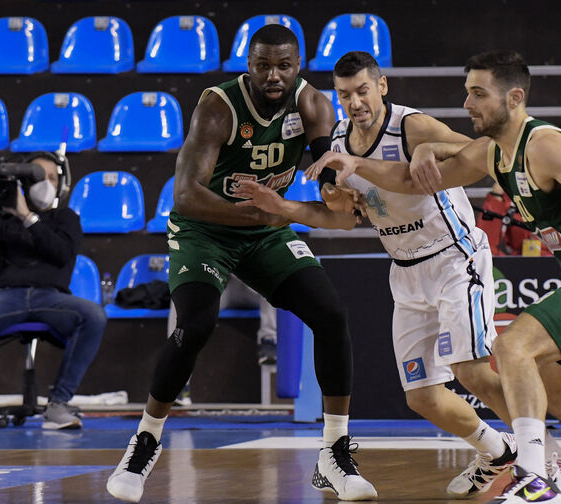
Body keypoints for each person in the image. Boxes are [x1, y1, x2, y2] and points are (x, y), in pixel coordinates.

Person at [311, 50, 561, 504]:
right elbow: (416, 182)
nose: (467, 103)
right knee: (548, 389)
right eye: (467, 92)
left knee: (511, 348)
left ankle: (536, 477)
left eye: (477, 93)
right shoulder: (493, 153)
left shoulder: (544, 144)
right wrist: (357, 165)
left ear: (513, 97)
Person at [237, 51, 561, 501]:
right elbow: (345, 220)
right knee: (422, 396)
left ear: (381, 86)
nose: (355, 102)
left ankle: (554, 466)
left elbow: (480, 151)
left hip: (454, 258)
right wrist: (282, 209)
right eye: (344, 94)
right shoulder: (339, 142)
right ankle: (498, 452)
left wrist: (428, 148)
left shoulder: (411, 125)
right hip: (404, 270)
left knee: (473, 372)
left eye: (363, 91)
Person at [106, 25, 376, 503]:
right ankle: (144, 441)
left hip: (265, 229)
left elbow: (322, 170)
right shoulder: (218, 105)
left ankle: (334, 450)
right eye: (263, 65)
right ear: (248, 65)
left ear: (298, 65)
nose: (274, 75)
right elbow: (186, 196)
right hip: (204, 230)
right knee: (196, 323)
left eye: (284, 66)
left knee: (331, 314)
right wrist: (255, 212)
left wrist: (336, 191)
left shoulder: (312, 104)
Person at [0, 151, 106, 431]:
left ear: (61, 184)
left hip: (51, 297)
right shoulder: (1, 219)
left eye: (51, 177)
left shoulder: (66, 218)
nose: (45, 183)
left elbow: (61, 253)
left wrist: (27, 216)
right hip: (6, 297)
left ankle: (58, 404)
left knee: (94, 315)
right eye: (37, 176)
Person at [168, 274, 277, 406]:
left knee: (275, 275)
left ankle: (269, 339)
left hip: (256, 291)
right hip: (226, 288)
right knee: (183, 294)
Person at [478, 182, 551, 256]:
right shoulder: (510, 198)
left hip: (558, 263)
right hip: (522, 263)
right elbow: (487, 247)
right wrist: (496, 197)